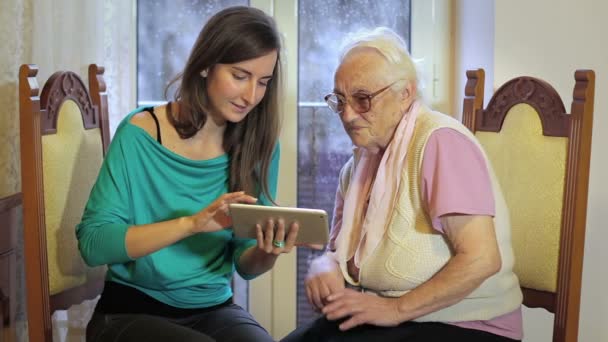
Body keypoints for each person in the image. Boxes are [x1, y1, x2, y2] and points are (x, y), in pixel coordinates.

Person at [282, 27, 523, 342]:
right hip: (395, 317)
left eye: (363, 99)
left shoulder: (440, 143)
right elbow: (337, 250)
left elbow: (481, 258)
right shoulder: (357, 165)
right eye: (340, 101)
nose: (348, 115)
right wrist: (323, 266)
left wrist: (394, 310)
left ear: (405, 94)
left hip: (466, 325)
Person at [78, 6, 297, 342]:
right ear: (207, 65)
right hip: (130, 310)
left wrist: (267, 251)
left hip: (213, 309)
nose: (251, 96)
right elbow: (94, 244)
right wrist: (192, 223)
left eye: (263, 82)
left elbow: (245, 265)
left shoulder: (258, 146)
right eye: (240, 76)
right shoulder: (141, 133)